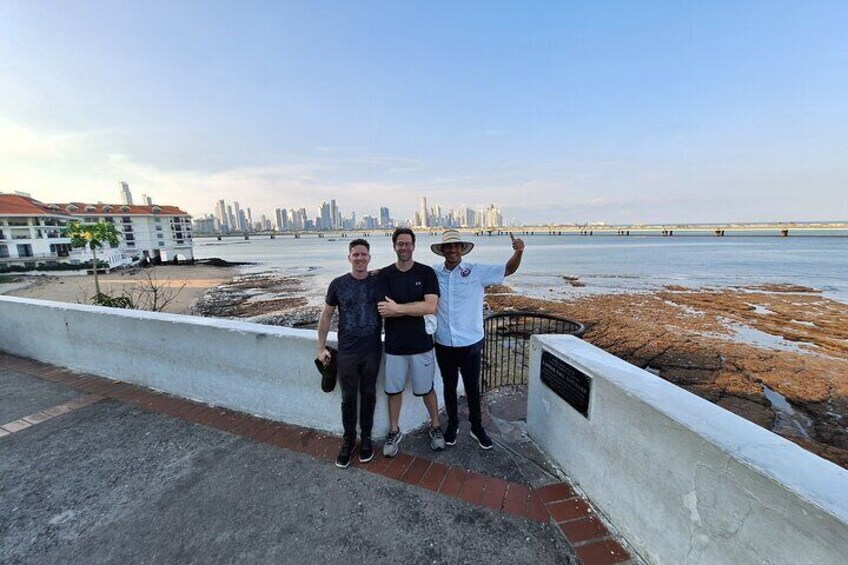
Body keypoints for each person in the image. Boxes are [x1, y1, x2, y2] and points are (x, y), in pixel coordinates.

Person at [430, 229, 525, 449]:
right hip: (444, 341)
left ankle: (477, 427)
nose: (452, 249)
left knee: (473, 387)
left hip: (471, 342)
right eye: (448, 246)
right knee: (449, 386)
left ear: (462, 249)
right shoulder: (434, 273)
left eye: (456, 246)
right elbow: (406, 273)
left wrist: (519, 253)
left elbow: (508, 269)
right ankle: (452, 424)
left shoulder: (476, 271)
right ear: (442, 250)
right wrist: (374, 274)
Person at [377, 228, 445, 457]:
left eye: (407, 243)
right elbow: (384, 311)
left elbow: (430, 307)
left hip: (422, 345)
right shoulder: (385, 275)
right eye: (400, 244)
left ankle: (435, 427)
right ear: (394, 246)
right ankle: (394, 430)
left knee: (427, 389)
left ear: (414, 246)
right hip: (395, 346)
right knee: (393, 391)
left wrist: (398, 308)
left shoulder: (426, 273)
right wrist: (410, 309)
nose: (404, 247)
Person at [317, 238, 383, 468]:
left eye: (364, 254)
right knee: (348, 398)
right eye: (355, 254)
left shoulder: (377, 283)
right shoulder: (338, 284)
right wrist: (321, 347)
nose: (360, 258)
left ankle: (366, 439)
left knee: (368, 395)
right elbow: (326, 315)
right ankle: (348, 441)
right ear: (349, 258)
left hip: (373, 350)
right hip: (347, 351)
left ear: (369, 258)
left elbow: (397, 274)